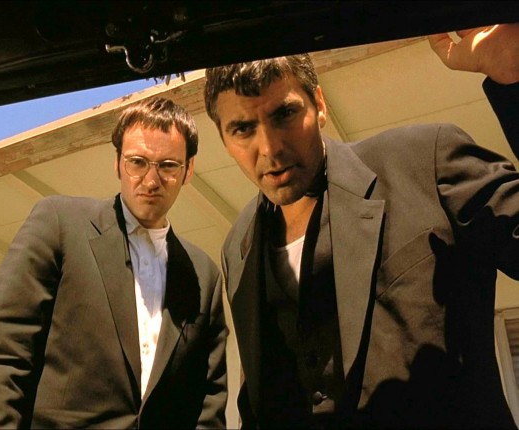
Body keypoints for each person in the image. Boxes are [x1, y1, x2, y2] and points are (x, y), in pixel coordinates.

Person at [203, 23, 519, 428]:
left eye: (284, 114)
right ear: (223, 139)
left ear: (319, 104)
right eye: (243, 129)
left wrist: (514, 74)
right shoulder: (238, 244)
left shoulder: (424, 161)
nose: (270, 148)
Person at [0, 97, 228, 428]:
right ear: (117, 164)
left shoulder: (204, 275)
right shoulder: (59, 223)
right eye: (137, 162)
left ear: (188, 170)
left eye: (168, 165)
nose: (151, 180)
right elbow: (1, 357)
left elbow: (208, 401)